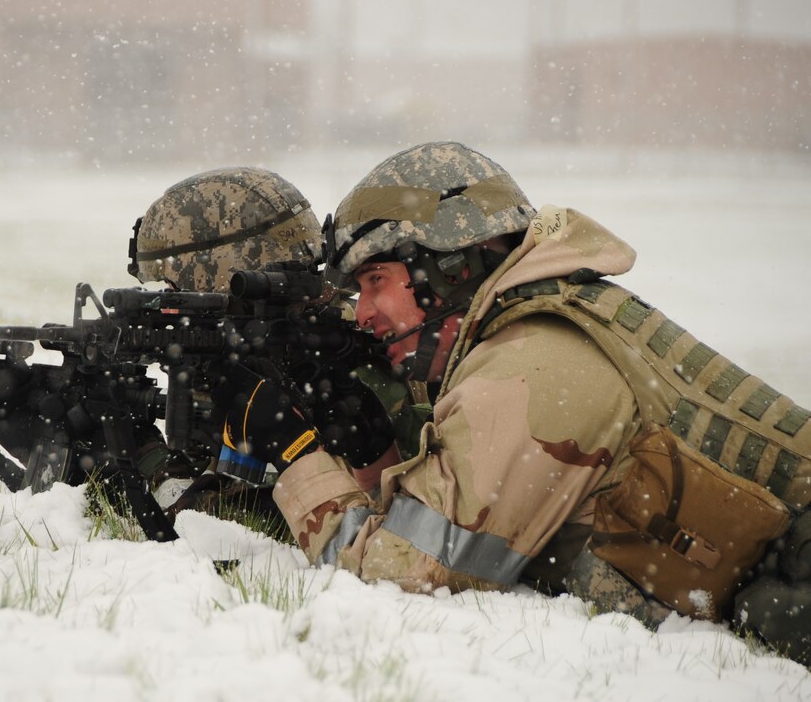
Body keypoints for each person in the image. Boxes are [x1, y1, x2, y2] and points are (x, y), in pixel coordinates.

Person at [214, 141, 810, 663]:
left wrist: (296, 452)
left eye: (376, 281)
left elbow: (403, 576)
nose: (364, 313)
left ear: (450, 269)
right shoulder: (547, 323)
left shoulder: (531, 365)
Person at [128, 166, 412, 526]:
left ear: (225, 277)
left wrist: (146, 458)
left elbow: (253, 521)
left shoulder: (338, 366)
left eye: (173, 289)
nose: (168, 307)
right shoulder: (314, 340)